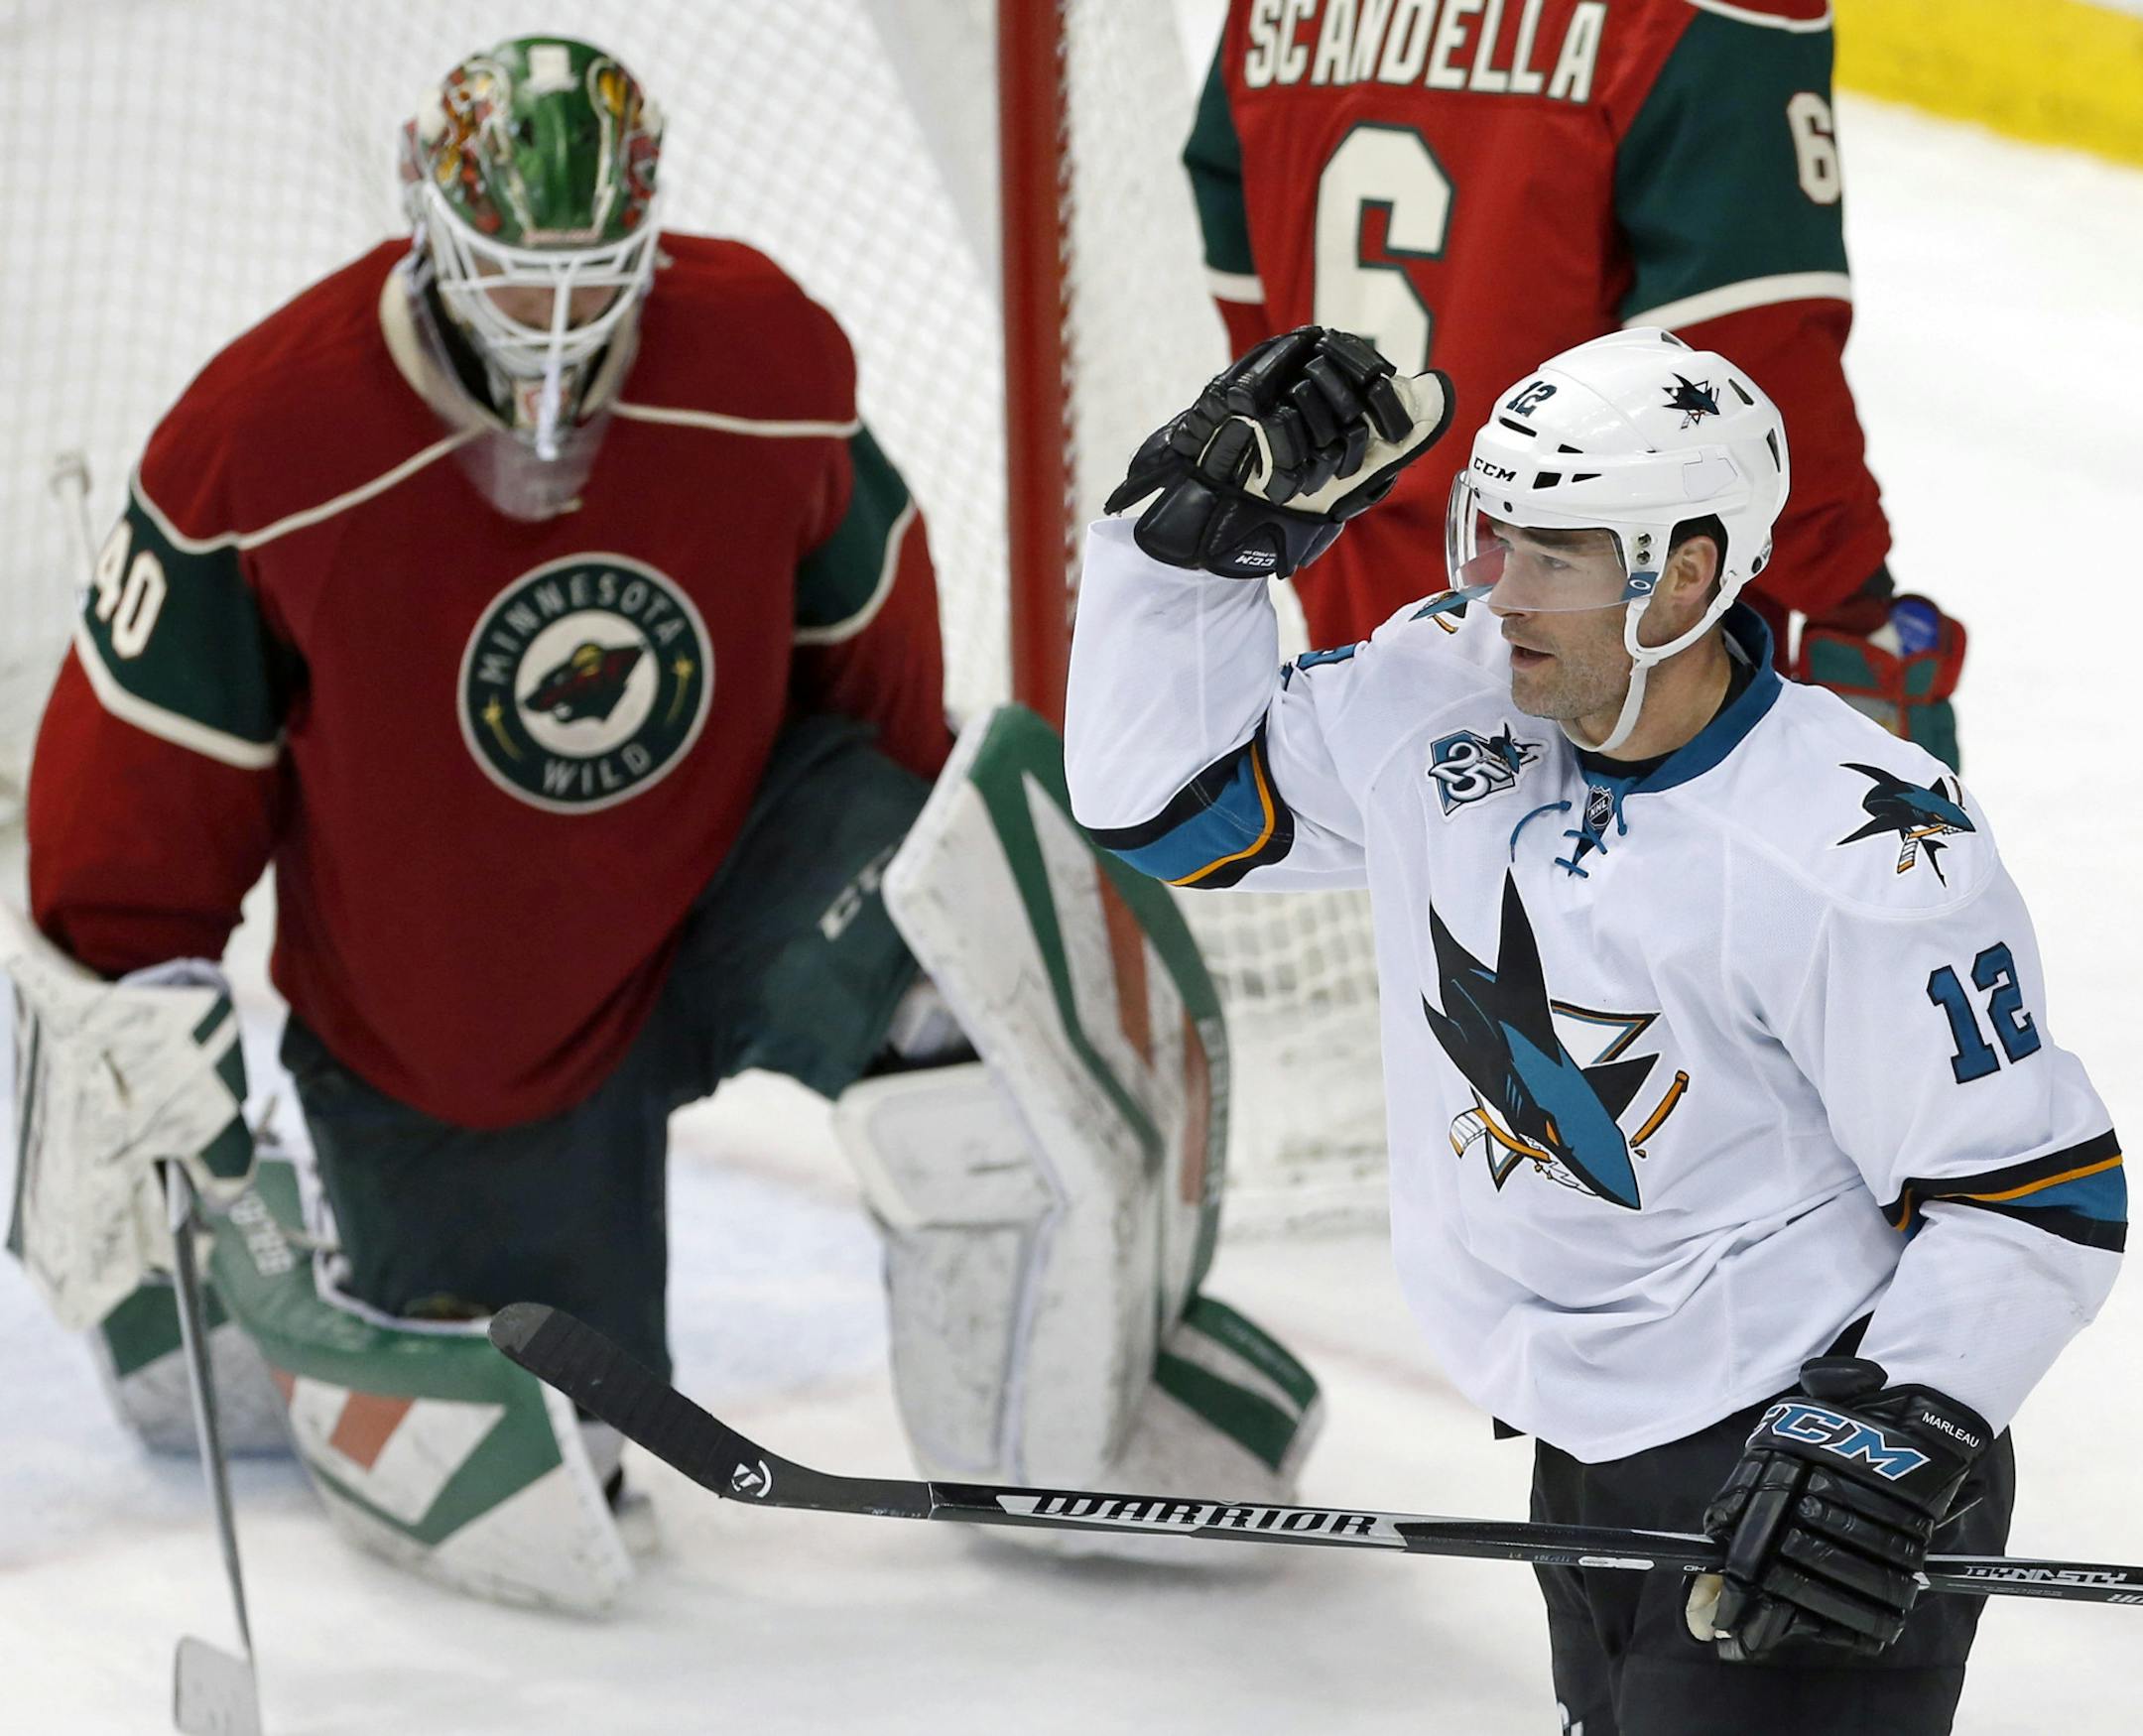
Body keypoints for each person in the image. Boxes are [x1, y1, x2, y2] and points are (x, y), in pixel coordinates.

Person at [16, 36, 1317, 1612]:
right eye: (512, 276)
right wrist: (142, 1051)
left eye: (595, 279)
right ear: (430, 225)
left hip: (721, 891)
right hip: (458, 1025)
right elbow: (126, 823)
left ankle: (1081, 1400)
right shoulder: (263, 447)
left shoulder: (758, 362)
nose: (557, 330)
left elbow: (883, 714)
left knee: (972, 952)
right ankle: (215, 1314)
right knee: (569, 1458)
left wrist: (921, 916)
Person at [1064, 324, 2122, 1733]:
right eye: (1492, 535)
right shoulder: (1443, 693)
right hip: (1591, 1439)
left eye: (1555, 554)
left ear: (1687, 571)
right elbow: (1163, 805)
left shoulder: (1862, 847)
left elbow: (2034, 1196)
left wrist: (1891, 1430)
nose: (1500, 592)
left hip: (1810, 1453)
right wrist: (1184, 560)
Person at [1181, 0, 1968, 765]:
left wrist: (1320, 463)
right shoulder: (1710, 9)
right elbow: (1750, 339)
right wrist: (1851, 600)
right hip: (1600, 618)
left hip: (1366, 591)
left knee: (1431, 881)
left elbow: (1251, 283)